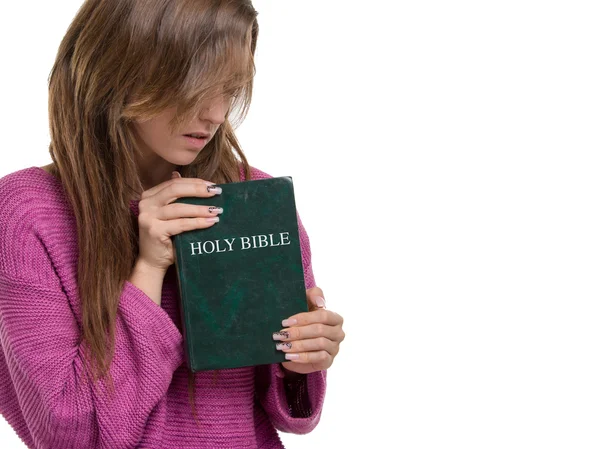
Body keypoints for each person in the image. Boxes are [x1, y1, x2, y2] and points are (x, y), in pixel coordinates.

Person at [0, 0, 345, 448]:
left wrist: (302, 357)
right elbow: (68, 434)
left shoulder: (252, 199)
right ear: (124, 65)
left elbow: (291, 416)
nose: (217, 113)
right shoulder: (28, 212)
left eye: (230, 87)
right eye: (198, 84)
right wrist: (149, 268)